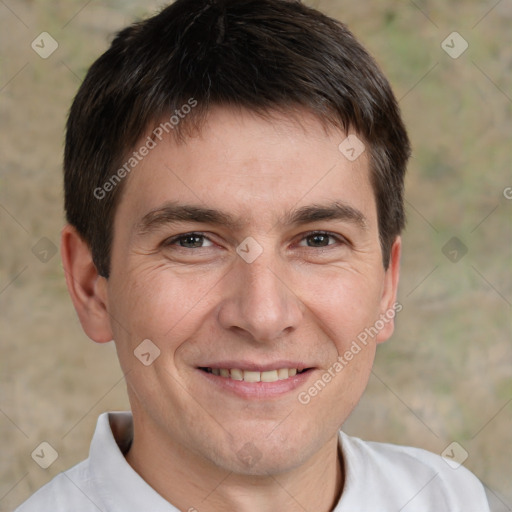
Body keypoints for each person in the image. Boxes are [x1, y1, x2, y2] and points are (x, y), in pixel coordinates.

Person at [16, 0, 490, 510]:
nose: (263, 316)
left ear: (387, 286)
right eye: (192, 241)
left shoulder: (453, 498)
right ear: (91, 286)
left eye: (319, 240)